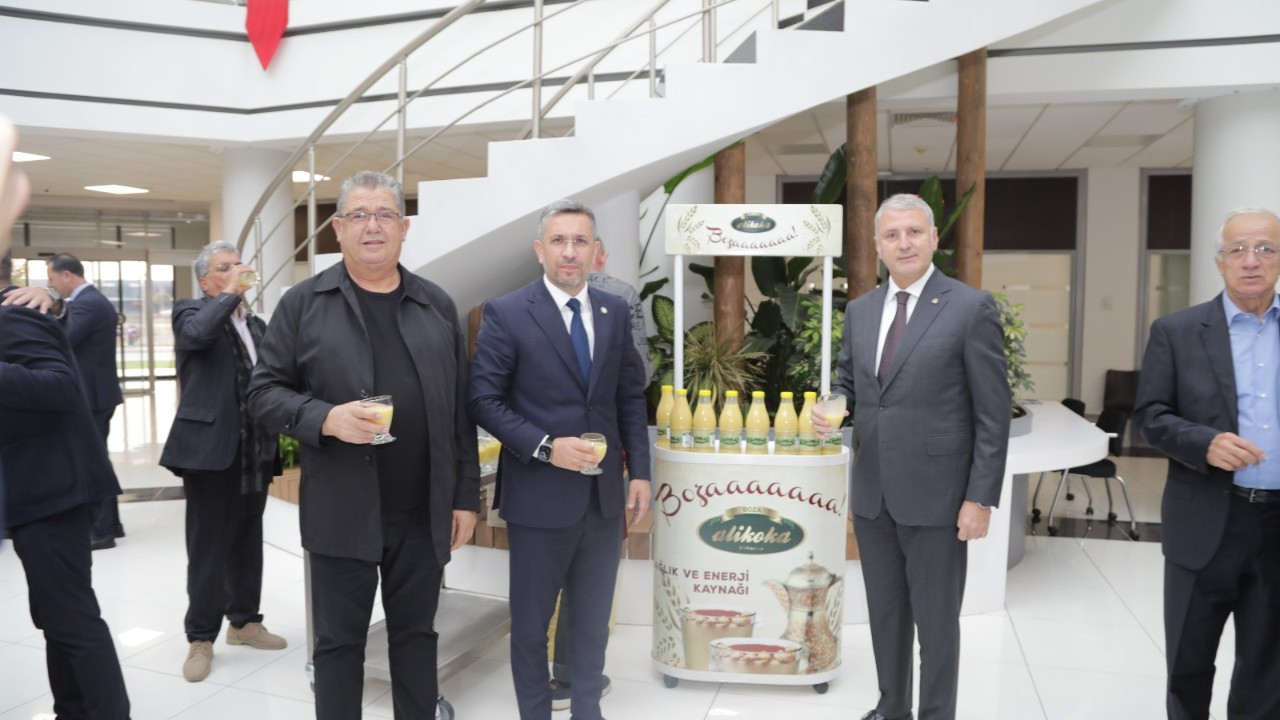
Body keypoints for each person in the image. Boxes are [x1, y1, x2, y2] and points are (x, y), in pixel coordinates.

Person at [247, 170, 480, 719]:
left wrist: (465, 498)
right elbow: (262, 394)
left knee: (416, 637)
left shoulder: (435, 304)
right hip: (342, 509)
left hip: (421, 513)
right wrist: (325, 418)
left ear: (403, 228)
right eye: (358, 215)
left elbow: (459, 412)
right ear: (338, 229)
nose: (372, 226)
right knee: (338, 644)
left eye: (384, 215)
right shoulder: (303, 304)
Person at [813, 193, 1010, 720]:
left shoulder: (969, 308)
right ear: (878, 245)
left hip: (939, 497)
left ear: (934, 239)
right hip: (874, 494)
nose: (904, 243)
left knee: (937, 624)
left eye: (914, 232)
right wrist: (835, 405)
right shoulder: (861, 310)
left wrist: (980, 499)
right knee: (887, 615)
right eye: (892, 235)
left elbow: (993, 414)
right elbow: (850, 381)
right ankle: (892, 707)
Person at [468, 199, 651, 720]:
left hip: (603, 500)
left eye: (580, 241)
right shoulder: (506, 312)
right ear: (539, 250)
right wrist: (549, 446)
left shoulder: (614, 312)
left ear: (596, 252)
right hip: (538, 498)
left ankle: (588, 710)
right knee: (531, 625)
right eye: (559, 241)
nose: (569, 252)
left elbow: (628, 398)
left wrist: (640, 471)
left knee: (592, 623)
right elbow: (482, 400)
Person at [1134, 206, 1280, 720]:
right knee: (1189, 665)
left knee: (1268, 671)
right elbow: (1149, 415)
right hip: (1206, 519)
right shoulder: (1175, 331)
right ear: (1219, 262)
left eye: (1265, 248)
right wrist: (1204, 443)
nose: (1251, 260)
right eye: (1237, 250)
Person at [1, 250, 132, 720]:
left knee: (72, 620)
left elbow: (60, 386)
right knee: (56, 617)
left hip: (54, 490)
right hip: (34, 490)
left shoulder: (15, 312)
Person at [159, 241, 286, 683]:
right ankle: (200, 637)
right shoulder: (189, 312)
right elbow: (197, 337)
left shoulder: (256, 324)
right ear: (205, 280)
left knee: (248, 541)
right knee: (208, 549)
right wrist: (231, 293)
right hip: (209, 451)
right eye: (224, 267)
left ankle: (245, 622)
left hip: (255, 449)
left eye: (238, 265)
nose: (236, 271)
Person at [46, 252, 126, 549]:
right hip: (98, 394)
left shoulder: (87, 303)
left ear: (67, 275)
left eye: (52, 278)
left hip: (92, 396)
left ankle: (102, 530)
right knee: (98, 458)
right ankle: (111, 524)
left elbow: (64, 339)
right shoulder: (91, 301)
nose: (50, 284)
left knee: (93, 461)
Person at [588, 238, 653, 384]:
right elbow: (639, 349)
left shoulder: (557, 292)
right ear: (603, 258)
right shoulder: (625, 292)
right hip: (615, 387)